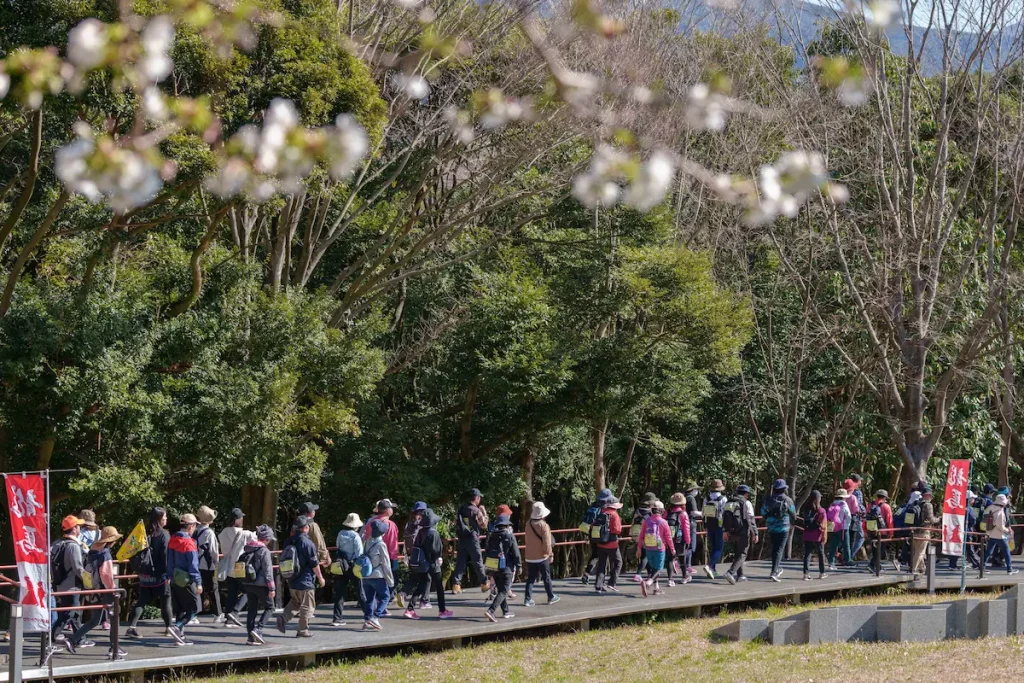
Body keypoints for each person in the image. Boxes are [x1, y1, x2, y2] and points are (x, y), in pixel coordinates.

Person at [63, 526, 123, 659]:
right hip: (105, 591)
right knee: (114, 618)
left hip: (93, 589)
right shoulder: (105, 554)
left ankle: (73, 639)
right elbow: (106, 574)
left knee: (94, 620)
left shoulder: (92, 552)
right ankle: (114, 647)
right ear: (111, 541)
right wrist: (113, 589)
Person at [126, 507, 174, 640]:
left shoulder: (143, 532)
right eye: (164, 517)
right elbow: (165, 555)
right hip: (160, 574)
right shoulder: (164, 534)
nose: (166, 519)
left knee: (141, 601)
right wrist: (168, 573)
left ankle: (132, 627)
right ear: (159, 518)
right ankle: (169, 628)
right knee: (165, 601)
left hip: (145, 573)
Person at [276, 515, 325, 638]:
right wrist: (320, 578)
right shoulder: (308, 543)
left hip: (292, 579)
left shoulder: (289, 541)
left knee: (296, 602)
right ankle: (303, 630)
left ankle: (283, 618)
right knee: (307, 606)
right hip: (306, 580)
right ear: (305, 528)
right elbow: (314, 564)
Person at [406, 508, 452, 619]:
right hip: (432, 563)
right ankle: (442, 610)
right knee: (439, 587)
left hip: (421, 563)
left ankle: (410, 609)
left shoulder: (420, 532)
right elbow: (436, 551)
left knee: (421, 585)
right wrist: (438, 558)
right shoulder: (434, 533)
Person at [167, 513, 203, 645]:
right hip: (187, 579)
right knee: (194, 608)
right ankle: (177, 628)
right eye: (194, 526)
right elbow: (193, 566)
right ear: (190, 526)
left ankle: (180, 636)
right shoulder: (189, 543)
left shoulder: (172, 540)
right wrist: (198, 582)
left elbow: (169, 561)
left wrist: (170, 576)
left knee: (181, 608)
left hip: (175, 578)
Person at [50, 515, 86, 645]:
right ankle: (53, 634)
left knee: (73, 611)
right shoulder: (74, 546)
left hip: (60, 583)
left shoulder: (56, 543)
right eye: (79, 526)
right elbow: (78, 568)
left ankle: (80, 638)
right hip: (72, 585)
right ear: (74, 529)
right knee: (70, 611)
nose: (80, 529)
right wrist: (88, 581)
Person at [217, 507, 255, 628]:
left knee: (232, 592)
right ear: (238, 519)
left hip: (228, 567)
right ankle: (235, 612)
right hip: (240, 566)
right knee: (249, 591)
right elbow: (256, 541)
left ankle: (228, 617)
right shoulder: (245, 534)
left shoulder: (222, 533)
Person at [239, 525, 276, 646]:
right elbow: (268, 571)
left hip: (248, 583)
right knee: (270, 607)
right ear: (266, 539)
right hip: (261, 585)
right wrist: (271, 588)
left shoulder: (248, 549)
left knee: (252, 610)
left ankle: (250, 637)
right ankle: (258, 630)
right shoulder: (264, 551)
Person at [452, 488, 489, 594]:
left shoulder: (462, 508)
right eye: (479, 497)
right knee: (478, 561)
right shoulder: (476, 511)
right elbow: (484, 525)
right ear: (477, 498)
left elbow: (456, 522)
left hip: (462, 538)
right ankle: (484, 583)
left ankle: (456, 585)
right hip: (473, 539)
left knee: (461, 562)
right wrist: (484, 512)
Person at [484, 514, 520, 621]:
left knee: (501, 589)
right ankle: (491, 610)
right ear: (507, 526)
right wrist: (519, 566)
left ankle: (506, 611)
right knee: (504, 591)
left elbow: (486, 552)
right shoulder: (509, 536)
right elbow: (516, 553)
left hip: (494, 567)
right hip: (507, 568)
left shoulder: (491, 536)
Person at [360, 519, 394, 630]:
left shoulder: (366, 542)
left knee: (369, 599)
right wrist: (390, 580)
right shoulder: (381, 545)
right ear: (382, 533)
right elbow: (386, 563)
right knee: (385, 596)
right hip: (378, 575)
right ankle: (375, 617)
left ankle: (367, 620)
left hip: (366, 575)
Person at [523, 501, 559, 606]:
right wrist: (550, 554)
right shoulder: (544, 525)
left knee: (530, 578)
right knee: (546, 577)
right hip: (542, 556)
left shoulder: (528, 524)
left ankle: (527, 599)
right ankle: (551, 596)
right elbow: (547, 543)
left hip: (530, 556)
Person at [332, 513, 363, 627]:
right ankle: (368, 617)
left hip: (341, 564)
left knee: (339, 592)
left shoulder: (340, 533)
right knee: (360, 591)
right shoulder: (355, 536)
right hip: (352, 565)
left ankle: (337, 617)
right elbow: (359, 552)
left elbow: (338, 546)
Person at [761, 478, 796, 581]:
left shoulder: (768, 499)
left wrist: (768, 519)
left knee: (775, 548)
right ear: (784, 489)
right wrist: (792, 524)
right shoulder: (788, 500)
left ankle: (775, 568)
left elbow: (763, 512)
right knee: (780, 549)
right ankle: (774, 571)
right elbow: (793, 513)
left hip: (771, 527)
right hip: (784, 527)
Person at [638, 501, 675, 596]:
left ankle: (656, 588)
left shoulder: (646, 521)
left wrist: (639, 548)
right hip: (659, 548)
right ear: (662, 511)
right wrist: (672, 548)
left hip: (648, 548)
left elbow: (641, 535)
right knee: (659, 568)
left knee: (654, 567)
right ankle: (648, 582)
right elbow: (668, 537)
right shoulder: (663, 522)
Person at [723, 484, 757, 584]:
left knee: (737, 554)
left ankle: (740, 575)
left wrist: (725, 531)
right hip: (743, 532)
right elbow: (750, 519)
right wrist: (755, 533)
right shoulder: (746, 503)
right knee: (742, 554)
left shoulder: (729, 502)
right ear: (746, 494)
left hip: (732, 532)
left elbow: (723, 517)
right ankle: (730, 572)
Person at [194, 505, 221, 622]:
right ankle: (217, 614)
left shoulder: (195, 531)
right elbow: (214, 550)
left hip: (196, 564)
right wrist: (216, 563)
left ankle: (194, 613)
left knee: (197, 588)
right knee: (212, 589)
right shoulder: (209, 533)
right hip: (208, 565)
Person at [580, 488, 612, 584]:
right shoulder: (605, 507)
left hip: (591, 534)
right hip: (602, 535)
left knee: (595, 555)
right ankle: (602, 578)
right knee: (604, 555)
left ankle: (586, 574)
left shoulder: (593, 505)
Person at [398, 502, 427, 609]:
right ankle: (423, 601)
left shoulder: (408, 524)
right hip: (422, 556)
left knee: (414, 578)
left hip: (411, 555)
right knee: (426, 578)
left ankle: (403, 594)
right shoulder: (423, 524)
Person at [363, 499, 400, 581]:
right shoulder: (390, 525)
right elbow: (392, 545)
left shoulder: (370, 522)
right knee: (390, 585)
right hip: (386, 559)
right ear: (388, 510)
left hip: (370, 558)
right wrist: (394, 560)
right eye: (391, 508)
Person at [983, 494, 1020, 575]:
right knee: (1006, 551)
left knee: (988, 551)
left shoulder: (990, 508)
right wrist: (1007, 531)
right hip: (1000, 535)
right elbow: (1001, 526)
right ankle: (1009, 569)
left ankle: (982, 567)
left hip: (990, 533)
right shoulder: (1000, 512)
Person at [593, 496, 624, 593]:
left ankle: (598, 586)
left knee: (602, 564)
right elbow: (617, 530)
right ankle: (612, 583)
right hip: (612, 544)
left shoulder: (601, 513)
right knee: (618, 562)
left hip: (600, 543)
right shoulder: (614, 515)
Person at [910, 486, 940, 575]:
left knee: (917, 551)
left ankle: (922, 568)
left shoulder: (916, 503)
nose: (931, 497)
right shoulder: (928, 505)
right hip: (924, 531)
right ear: (927, 495)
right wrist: (938, 519)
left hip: (914, 531)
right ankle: (913, 570)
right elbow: (931, 519)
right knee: (920, 552)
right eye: (930, 496)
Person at [864, 489, 895, 573]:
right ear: (885, 497)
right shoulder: (886, 506)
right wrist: (891, 532)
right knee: (880, 550)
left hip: (872, 530)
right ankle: (871, 565)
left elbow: (865, 518)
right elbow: (889, 520)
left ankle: (878, 566)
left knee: (875, 549)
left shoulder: (870, 505)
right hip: (882, 531)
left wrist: (865, 530)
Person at [702, 479, 727, 579]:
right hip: (719, 525)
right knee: (719, 548)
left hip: (709, 525)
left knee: (713, 547)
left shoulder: (707, 498)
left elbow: (703, 512)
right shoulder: (723, 499)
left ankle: (713, 570)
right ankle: (710, 566)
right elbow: (725, 513)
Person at [666, 492, 692, 585]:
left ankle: (670, 579)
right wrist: (688, 541)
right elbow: (686, 528)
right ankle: (684, 577)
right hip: (680, 540)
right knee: (682, 558)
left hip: (669, 539)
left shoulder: (668, 512)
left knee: (669, 559)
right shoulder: (683, 513)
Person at [630, 492, 657, 582]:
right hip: (646, 535)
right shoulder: (649, 512)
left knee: (644, 554)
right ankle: (638, 574)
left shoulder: (638, 510)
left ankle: (649, 573)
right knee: (645, 555)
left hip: (636, 534)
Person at [801, 491, 828, 580]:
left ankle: (806, 574)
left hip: (807, 534)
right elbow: (823, 525)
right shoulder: (821, 510)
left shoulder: (806, 509)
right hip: (817, 535)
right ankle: (822, 572)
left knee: (807, 554)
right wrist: (824, 536)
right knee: (820, 553)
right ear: (818, 499)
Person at [825, 489, 852, 571]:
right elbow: (848, 515)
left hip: (833, 527)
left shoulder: (833, 503)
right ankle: (847, 561)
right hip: (843, 527)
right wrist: (848, 523)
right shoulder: (844, 504)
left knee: (833, 545)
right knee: (846, 545)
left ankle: (831, 562)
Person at [298, 502, 330, 569]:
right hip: (311, 557)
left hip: (298, 557)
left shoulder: (297, 523)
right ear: (307, 513)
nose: (314, 512)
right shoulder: (312, 525)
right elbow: (319, 541)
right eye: (313, 510)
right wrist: (325, 557)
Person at [683, 481, 702, 577]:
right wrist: (703, 513)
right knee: (691, 546)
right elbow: (694, 512)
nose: (697, 491)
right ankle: (685, 565)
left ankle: (685, 564)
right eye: (696, 489)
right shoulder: (691, 499)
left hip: (683, 524)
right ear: (692, 490)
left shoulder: (684, 498)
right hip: (690, 524)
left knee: (686, 544)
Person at [846, 476, 867, 559]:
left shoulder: (846, 490)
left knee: (849, 536)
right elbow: (858, 505)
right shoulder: (857, 492)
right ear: (858, 481)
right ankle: (850, 555)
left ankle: (845, 554)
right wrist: (864, 513)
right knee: (861, 537)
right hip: (856, 516)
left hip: (846, 516)